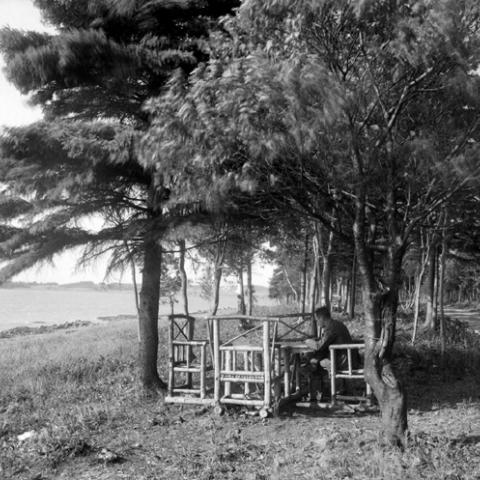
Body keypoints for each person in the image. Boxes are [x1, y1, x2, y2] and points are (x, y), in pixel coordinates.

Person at [304, 306, 360, 399]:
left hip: (345, 362)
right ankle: (321, 391)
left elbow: (319, 346)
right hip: (348, 358)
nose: (317, 323)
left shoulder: (331, 328)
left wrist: (307, 341)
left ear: (322, 318)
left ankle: (319, 393)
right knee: (315, 360)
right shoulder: (336, 324)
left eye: (317, 320)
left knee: (314, 362)